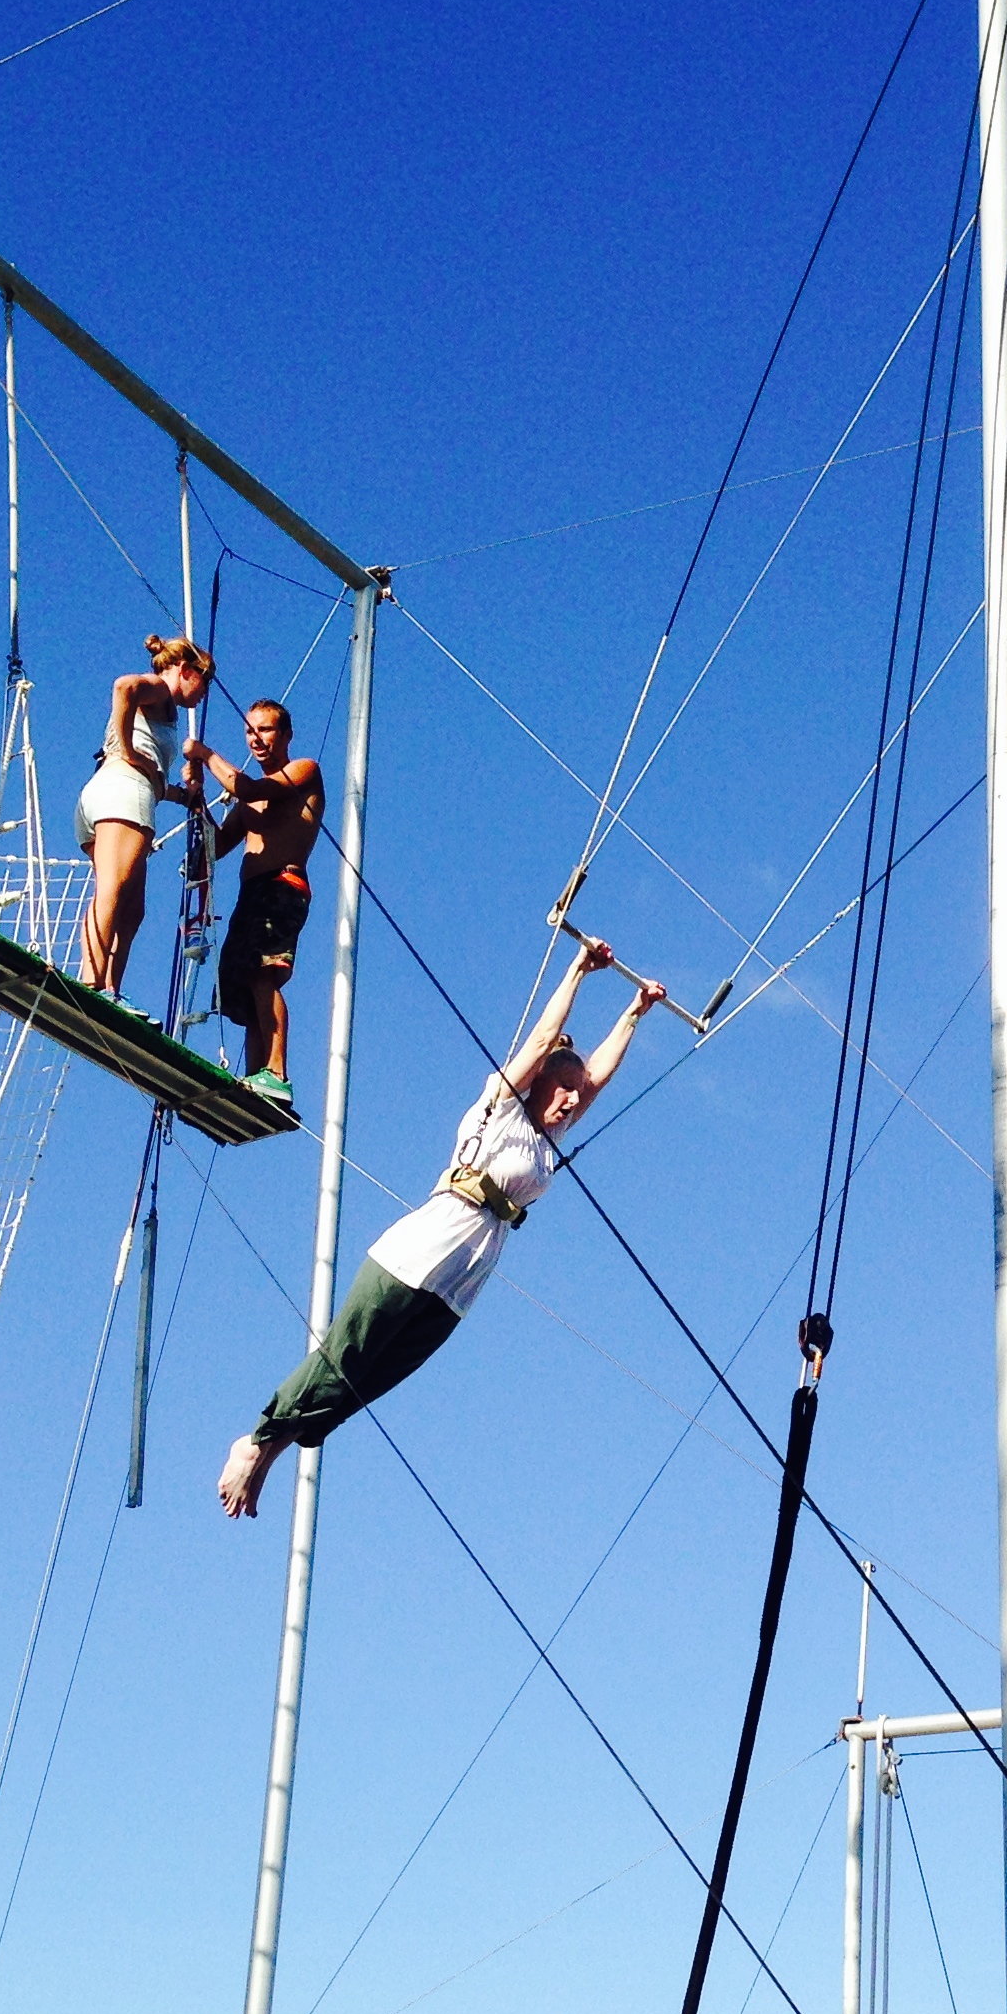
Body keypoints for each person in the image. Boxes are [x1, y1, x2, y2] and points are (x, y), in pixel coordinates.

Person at [218, 939, 663, 1516]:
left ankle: (272, 1456)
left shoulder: (547, 1140)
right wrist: (578, 971)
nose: (573, 1101)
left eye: (577, 1097)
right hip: (416, 1256)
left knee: (362, 1386)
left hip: (458, 1287)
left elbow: (597, 1077)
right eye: (564, 1089)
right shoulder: (499, 1106)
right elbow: (536, 1042)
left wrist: (634, 1011)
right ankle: (256, 1440)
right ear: (538, 1082)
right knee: (344, 1356)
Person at [76, 635, 215, 1004]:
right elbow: (125, 686)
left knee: (132, 908)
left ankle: (109, 987)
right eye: (205, 680)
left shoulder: (163, 713)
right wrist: (128, 749)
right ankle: (91, 981)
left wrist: (181, 795)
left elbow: (151, 773)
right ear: (186, 671)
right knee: (114, 888)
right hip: (123, 793)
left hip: (113, 793)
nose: (205, 692)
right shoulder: (162, 694)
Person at [199, 697, 325, 1102]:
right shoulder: (247, 800)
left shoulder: (302, 771)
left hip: (282, 885)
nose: (256, 738)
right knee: (243, 984)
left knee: (262, 974)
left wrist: (204, 755)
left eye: (266, 729)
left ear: (285, 734)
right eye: (250, 731)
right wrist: (195, 803)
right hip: (251, 892)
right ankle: (256, 1075)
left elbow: (248, 785)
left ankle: (276, 1071)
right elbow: (217, 846)